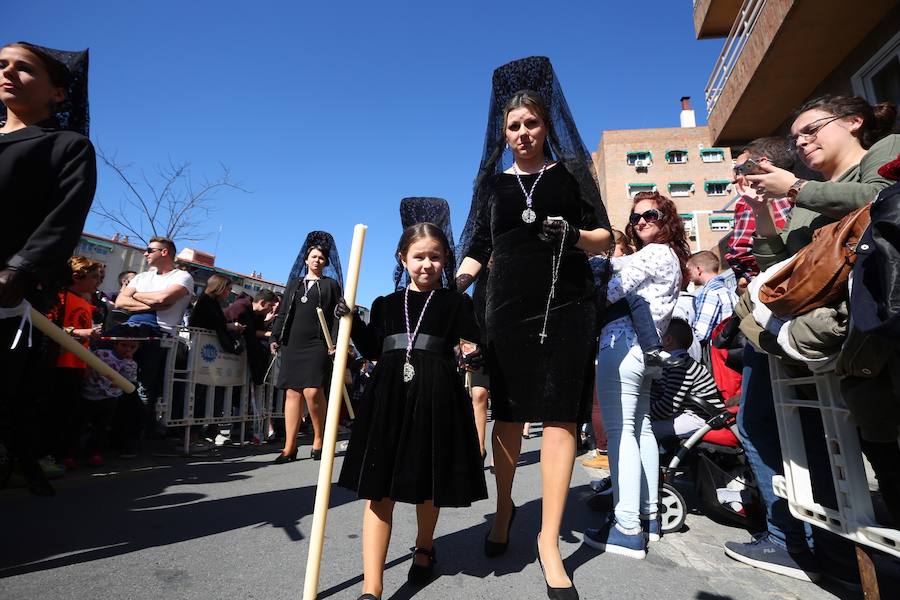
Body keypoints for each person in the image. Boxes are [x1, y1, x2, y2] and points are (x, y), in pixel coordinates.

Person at [724, 95, 899, 584]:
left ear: (854, 122)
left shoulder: (884, 152)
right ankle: (822, 549)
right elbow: (780, 269)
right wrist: (763, 212)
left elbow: (883, 196)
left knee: (872, 442)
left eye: (811, 130)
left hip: (865, 331)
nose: (801, 143)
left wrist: (795, 187)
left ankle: (823, 550)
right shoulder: (812, 194)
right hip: (815, 335)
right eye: (797, 137)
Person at [456, 57, 611, 598]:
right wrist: (454, 288)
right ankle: (503, 511)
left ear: (547, 126)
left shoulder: (569, 175)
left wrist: (574, 234)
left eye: (531, 124)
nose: (522, 133)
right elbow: (476, 248)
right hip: (506, 311)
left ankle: (549, 539)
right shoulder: (493, 187)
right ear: (503, 135)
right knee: (509, 418)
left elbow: (606, 237)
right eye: (513, 127)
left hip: (566, 306)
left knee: (562, 418)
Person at [336, 223, 486, 600]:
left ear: (445, 260)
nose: (426, 264)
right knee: (379, 489)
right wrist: (350, 319)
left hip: (437, 395)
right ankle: (373, 585)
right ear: (403, 258)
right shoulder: (386, 304)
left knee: (426, 482)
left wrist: (475, 350)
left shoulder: (456, 303)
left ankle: (424, 546)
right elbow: (371, 349)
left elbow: (475, 339)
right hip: (388, 398)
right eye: (419, 256)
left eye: (435, 257)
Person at [0, 41, 95, 496]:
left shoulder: (67, 147)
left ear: (58, 93)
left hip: (10, 295)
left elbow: (64, 215)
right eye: (2, 65)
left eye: (24, 68)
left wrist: (19, 267)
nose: (8, 73)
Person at [583, 191, 688, 559]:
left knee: (621, 432)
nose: (641, 221)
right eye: (636, 217)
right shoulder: (671, 257)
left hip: (622, 347)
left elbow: (610, 293)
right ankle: (649, 516)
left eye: (650, 215)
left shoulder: (656, 252)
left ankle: (627, 525)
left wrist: (597, 271)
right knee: (640, 430)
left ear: (667, 219)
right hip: (643, 353)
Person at [270, 232, 342, 462]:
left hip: (317, 344)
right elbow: (283, 313)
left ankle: (319, 437)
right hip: (293, 343)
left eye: (321, 258)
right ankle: (289, 447)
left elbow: (336, 317)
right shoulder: (294, 284)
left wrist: (335, 342)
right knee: (292, 393)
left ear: (326, 262)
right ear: (306, 259)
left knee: (312, 391)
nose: (317, 260)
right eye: (313, 256)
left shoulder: (331, 285)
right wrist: (275, 336)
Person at [48, 256, 102, 468]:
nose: (98, 281)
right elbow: (48, 326)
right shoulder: (60, 297)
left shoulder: (86, 303)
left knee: (69, 413)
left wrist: (87, 364)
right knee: (55, 412)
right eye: (94, 277)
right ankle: (49, 454)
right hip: (59, 363)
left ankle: (63, 454)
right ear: (77, 277)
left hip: (78, 365)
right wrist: (81, 332)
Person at [725, 137, 795, 286]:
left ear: (762, 164)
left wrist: (746, 281)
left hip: (766, 283)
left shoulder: (752, 201)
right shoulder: (800, 195)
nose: (736, 178)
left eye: (740, 169)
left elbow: (740, 251)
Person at [649, 318, 726, 440]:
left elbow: (668, 407)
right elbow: (657, 392)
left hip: (701, 418)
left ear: (668, 340)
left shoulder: (679, 366)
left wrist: (643, 414)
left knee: (647, 431)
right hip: (686, 412)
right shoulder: (670, 364)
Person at [115, 237, 194, 334]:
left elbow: (161, 299)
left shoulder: (182, 277)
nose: (145, 254)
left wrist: (135, 295)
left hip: (162, 336)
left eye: (149, 250)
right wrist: (153, 306)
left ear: (164, 252)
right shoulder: (141, 277)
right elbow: (120, 302)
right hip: (131, 328)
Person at [81, 336, 139, 467]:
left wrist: (128, 361)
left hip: (110, 398)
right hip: (89, 393)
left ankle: (95, 453)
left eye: (132, 347)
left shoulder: (131, 363)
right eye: (124, 345)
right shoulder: (101, 354)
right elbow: (88, 366)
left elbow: (128, 379)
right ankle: (71, 453)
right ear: (116, 344)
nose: (127, 349)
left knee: (101, 426)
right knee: (81, 423)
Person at [686, 250, 738, 350]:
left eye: (689, 270)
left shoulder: (710, 293)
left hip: (716, 353)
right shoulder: (728, 292)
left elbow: (701, 334)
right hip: (729, 350)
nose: (688, 275)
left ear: (698, 269)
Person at [225, 288, 277, 385]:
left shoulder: (259, 314)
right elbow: (248, 331)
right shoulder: (241, 307)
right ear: (262, 303)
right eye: (270, 306)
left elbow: (255, 330)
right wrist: (270, 334)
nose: (271, 309)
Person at [189, 274, 244, 354]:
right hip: (202, 346)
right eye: (229, 289)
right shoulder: (207, 301)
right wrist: (229, 326)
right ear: (220, 288)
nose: (230, 292)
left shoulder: (212, 301)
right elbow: (209, 323)